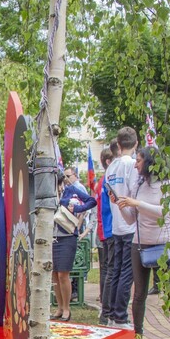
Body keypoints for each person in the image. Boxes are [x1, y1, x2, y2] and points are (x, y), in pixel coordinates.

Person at [117, 146, 170, 339]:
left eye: (139, 160)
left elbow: (165, 212)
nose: (136, 164)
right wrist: (123, 207)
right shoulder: (138, 185)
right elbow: (132, 219)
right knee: (139, 293)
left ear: (149, 162)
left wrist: (137, 203)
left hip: (165, 244)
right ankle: (138, 334)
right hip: (140, 243)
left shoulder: (169, 184)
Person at [105, 127, 140, 328]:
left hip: (117, 226)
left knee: (116, 270)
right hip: (129, 225)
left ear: (118, 145)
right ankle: (119, 316)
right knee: (127, 272)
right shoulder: (131, 165)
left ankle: (111, 313)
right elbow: (133, 193)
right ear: (135, 144)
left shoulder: (111, 168)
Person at [51, 169, 96, 321]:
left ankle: (66, 308)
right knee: (54, 274)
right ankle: (58, 307)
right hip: (51, 237)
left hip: (67, 236)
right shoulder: (47, 194)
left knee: (63, 273)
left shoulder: (70, 191)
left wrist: (77, 208)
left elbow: (91, 201)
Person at [97, 144, 116, 324]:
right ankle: (107, 311)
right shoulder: (107, 180)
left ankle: (107, 309)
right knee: (111, 270)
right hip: (110, 231)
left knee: (108, 270)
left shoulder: (103, 180)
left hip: (108, 230)